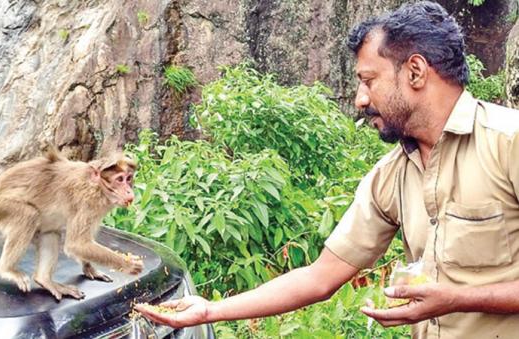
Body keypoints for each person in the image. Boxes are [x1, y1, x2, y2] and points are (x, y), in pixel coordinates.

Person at [135, 2, 519, 338]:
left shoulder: (508, 143)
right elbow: (320, 277)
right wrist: (209, 310)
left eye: (369, 80)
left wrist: (458, 299)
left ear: (415, 72)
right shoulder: (392, 175)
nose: (360, 99)